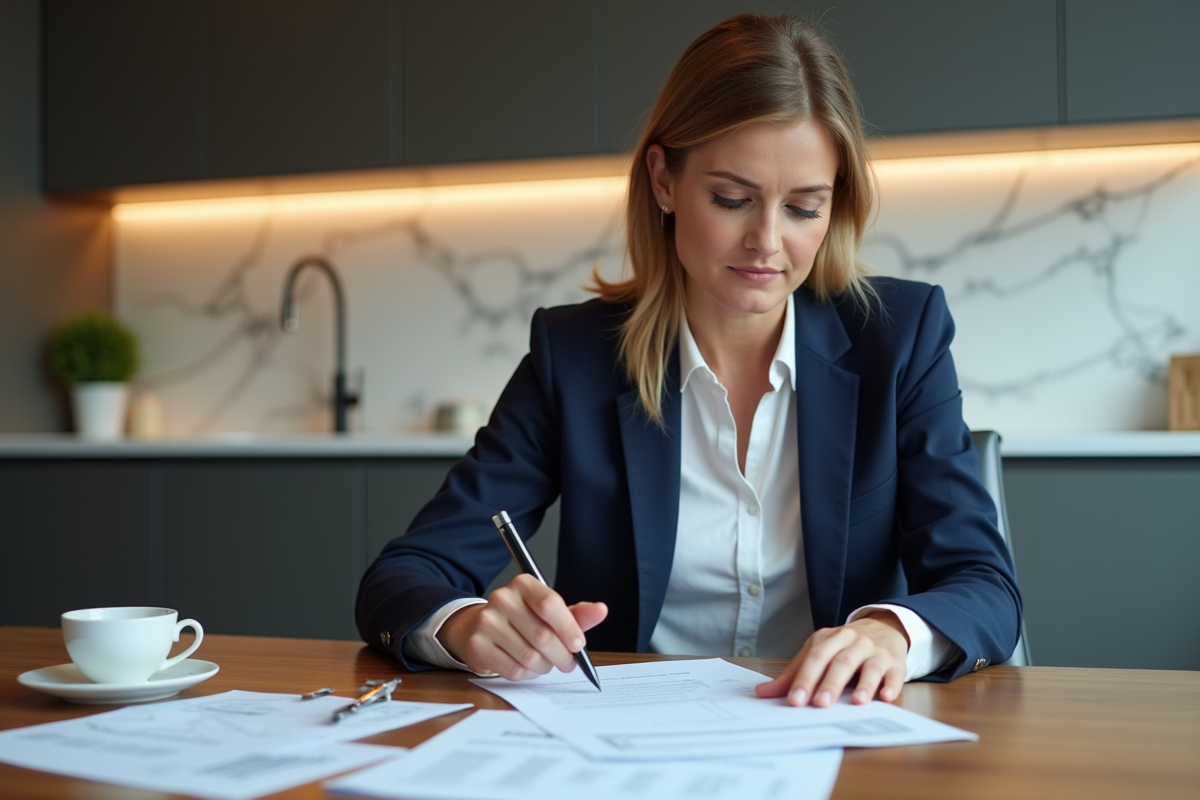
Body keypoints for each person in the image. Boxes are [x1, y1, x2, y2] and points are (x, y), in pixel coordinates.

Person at [357, 13, 1021, 707]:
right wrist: (466, 625)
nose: (767, 241)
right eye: (731, 199)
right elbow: (405, 574)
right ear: (664, 180)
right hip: (628, 745)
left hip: (833, 738)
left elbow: (986, 586)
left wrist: (892, 632)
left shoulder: (900, 338)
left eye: (803, 208)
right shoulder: (577, 356)